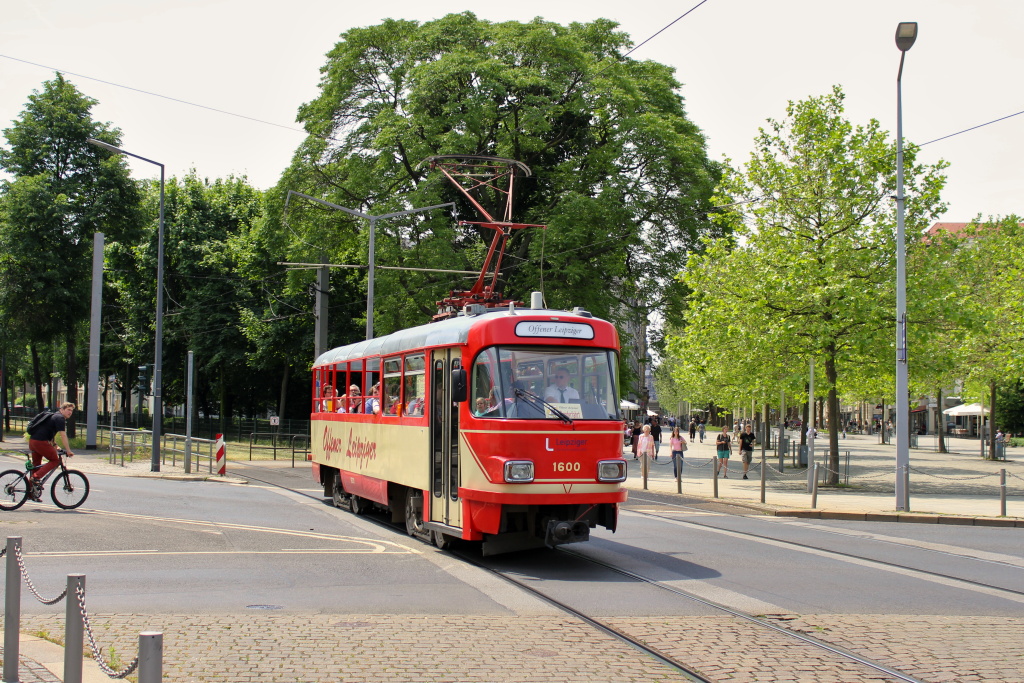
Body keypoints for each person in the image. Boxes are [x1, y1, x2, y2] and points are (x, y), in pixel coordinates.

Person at [28, 403, 76, 501]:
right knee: (55, 461)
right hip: (40, 442)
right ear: (62, 409)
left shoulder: (54, 417)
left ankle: (30, 493)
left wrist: (56, 447)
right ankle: (36, 477)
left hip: (33, 441)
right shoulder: (60, 418)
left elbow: (48, 435)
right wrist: (68, 450)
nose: (70, 412)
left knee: (36, 465)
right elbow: (63, 435)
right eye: (68, 410)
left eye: (71, 410)